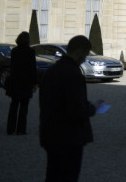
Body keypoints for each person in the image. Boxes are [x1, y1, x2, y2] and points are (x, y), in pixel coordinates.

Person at [39, 35, 100, 181]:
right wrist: (93, 108)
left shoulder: (51, 70)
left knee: (53, 175)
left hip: (50, 134)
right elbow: (77, 110)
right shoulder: (73, 73)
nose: (84, 59)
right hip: (68, 138)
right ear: (79, 52)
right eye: (85, 55)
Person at [6, 31, 38, 135]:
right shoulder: (30, 51)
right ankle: (21, 129)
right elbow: (32, 69)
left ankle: (10, 128)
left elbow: (13, 67)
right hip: (26, 82)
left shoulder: (14, 51)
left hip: (15, 80)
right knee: (24, 107)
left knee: (14, 105)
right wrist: (34, 83)